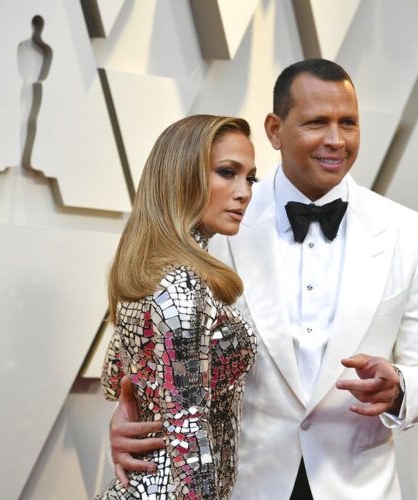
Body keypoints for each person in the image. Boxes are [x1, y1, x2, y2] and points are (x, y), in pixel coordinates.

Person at [110, 59, 418, 499]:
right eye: (317, 122)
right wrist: (126, 424)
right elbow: (156, 356)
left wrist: (401, 388)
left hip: (358, 486)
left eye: (348, 123)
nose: (336, 139)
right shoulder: (218, 219)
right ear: (275, 130)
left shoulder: (409, 231)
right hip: (241, 487)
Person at [98, 114, 258, 498]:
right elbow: (189, 426)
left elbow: (115, 377)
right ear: (181, 175)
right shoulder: (182, 282)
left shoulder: (154, 271)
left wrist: (136, 410)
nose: (244, 192)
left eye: (250, 178)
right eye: (227, 172)